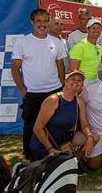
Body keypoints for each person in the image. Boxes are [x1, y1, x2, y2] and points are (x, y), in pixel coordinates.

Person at [11, 8, 67, 161]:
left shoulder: (56, 42)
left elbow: (60, 65)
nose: (42, 24)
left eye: (45, 21)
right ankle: (30, 158)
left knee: (54, 124)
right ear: (32, 22)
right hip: (33, 94)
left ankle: (55, 154)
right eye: (39, 21)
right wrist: (23, 90)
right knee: (31, 125)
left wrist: (62, 86)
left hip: (54, 91)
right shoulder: (22, 42)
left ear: (48, 22)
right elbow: (15, 68)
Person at [30, 71, 98, 162]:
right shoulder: (53, 100)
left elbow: (84, 124)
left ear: (82, 85)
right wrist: (50, 149)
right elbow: (37, 128)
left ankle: (75, 160)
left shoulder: (79, 101)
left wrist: (89, 136)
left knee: (95, 137)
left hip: (65, 142)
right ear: (65, 82)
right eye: (73, 79)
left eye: (79, 80)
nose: (76, 82)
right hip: (44, 146)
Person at [67, 8, 102, 75]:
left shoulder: (98, 34)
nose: (86, 21)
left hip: (98, 70)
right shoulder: (72, 35)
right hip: (81, 73)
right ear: (79, 20)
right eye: (83, 19)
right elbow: (72, 57)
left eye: (89, 19)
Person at [69, 19, 102, 86]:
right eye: (93, 28)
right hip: (82, 82)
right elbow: (73, 71)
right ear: (88, 30)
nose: (96, 30)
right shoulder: (79, 46)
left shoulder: (100, 49)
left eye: (98, 28)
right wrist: (79, 86)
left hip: (95, 81)